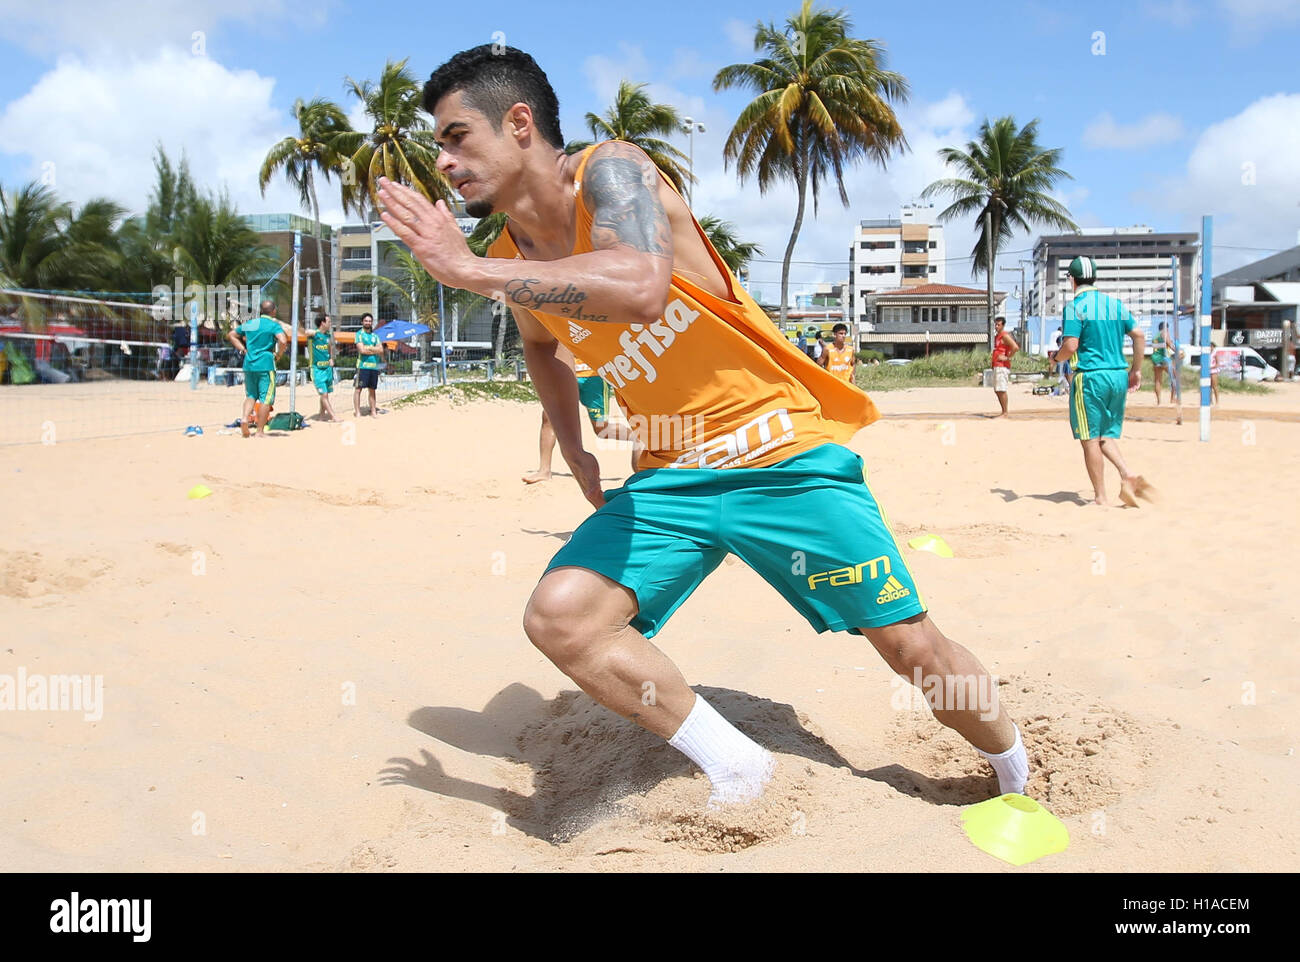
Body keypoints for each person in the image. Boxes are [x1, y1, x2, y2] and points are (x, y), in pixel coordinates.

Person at [375, 44, 1027, 809]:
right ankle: (739, 765)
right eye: (440, 145)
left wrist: (468, 271)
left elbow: (641, 287)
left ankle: (1016, 769)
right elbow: (541, 344)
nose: (445, 162)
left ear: (519, 122)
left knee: (910, 645)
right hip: (672, 473)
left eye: (457, 136)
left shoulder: (613, 171)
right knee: (563, 620)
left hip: (777, 444)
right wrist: (576, 448)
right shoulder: (515, 257)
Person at [1050, 257, 1153, 507]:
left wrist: (1055, 358)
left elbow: (1071, 345)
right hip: (1118, 375)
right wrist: (1136, 370)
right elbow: (1138, 334)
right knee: (1104, 433)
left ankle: (1100, 497)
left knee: (1088, 438)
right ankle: (1127, 475)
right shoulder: (1115, 304)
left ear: (1071, 280)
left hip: (1091, 377)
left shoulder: (1075, 306)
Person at [524, 348, 637, 483]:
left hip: (594, 376)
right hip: (565, 371)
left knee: (601, 428)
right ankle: (544, 470)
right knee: (549, 418)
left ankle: (639, 438)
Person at [227, 299, 288, 438]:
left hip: (249, 364)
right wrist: (278, 354)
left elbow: (231, 335)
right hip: (265, 365)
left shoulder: (250, 323)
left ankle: (244, 418)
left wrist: (243, 350)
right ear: (273, 311)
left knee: (251, 395)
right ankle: (259, 431)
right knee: (266, 399)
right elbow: (283, 340)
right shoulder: (273, 325)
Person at [353, 313, 383, 417]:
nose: (368, 323)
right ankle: (357, 412)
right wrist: (374, 349)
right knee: (358, 389)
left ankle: (373, 411)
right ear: (362, 322)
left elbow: (381, 349)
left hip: (373, 367)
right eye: (366, 321)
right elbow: (362, 350)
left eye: (370, 321)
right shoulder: (359, 334)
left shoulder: (375, 336)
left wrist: (369, 348)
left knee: (372, 390)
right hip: (362, 366)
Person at [310, 314, 339, 421]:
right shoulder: (314, 334)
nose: (330, 323)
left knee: (325, 393)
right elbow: (303, 331)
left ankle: (321, 416)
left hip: (327, 369)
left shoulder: (327, 335)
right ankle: (333, 416)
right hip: (317, 369)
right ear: (322, 323)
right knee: (324, 394)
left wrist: (331, 358)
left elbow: (329, 347)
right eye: (329, 322)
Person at [990, 316, 1018, 417]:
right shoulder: (997, 336)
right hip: (997, 365)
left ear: (1003, 325)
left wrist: (1007, 357)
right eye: (995, 325)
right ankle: (1003, 411)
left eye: (998, 325)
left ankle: (1005, 412)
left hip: (1002, 366)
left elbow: (1015, 347)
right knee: (997, 390)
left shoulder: (1005, 336)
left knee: (1001, 389)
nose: (996, 326)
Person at [1151, 321, 1173, 405]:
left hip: (1155, 359)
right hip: (1164, 359)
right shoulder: (1164, 333)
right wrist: (1178, 351)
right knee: (1174, 377)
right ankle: (1172, 399)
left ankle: (1159, 401)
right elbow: (1170, 344)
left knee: (1157, 380)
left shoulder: (1155, 337)